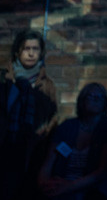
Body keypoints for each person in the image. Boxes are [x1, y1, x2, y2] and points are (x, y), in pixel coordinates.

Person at [1, 30, 58, 200]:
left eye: (36, 49)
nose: (31, 53)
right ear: (18, 51)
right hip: (5, 144)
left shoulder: (47, 85)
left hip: (33, 149)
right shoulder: (4, 80)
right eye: (27, 48)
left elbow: (52, 119)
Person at [37, 82, 107, 200]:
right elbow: (48, 164)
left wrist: (69, 186)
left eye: (100, 96)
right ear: (82, 101)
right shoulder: (66, 127)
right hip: (62, 182)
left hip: (92, 188)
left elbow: (102, 171)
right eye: (90, 96)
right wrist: (44, 184)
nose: (95, 99)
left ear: (105, 103)